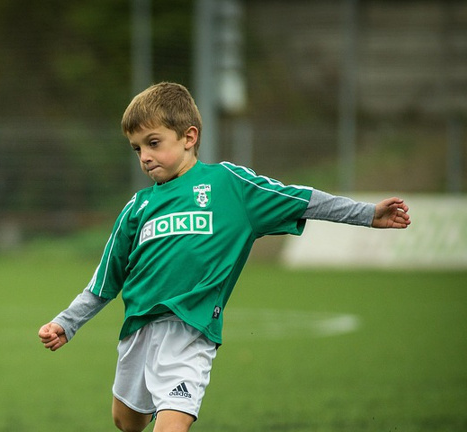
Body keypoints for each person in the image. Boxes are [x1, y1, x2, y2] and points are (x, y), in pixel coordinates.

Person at [37, 82, 410, 432]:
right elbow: (105, 280)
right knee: (126, 421)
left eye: (153, 143)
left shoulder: (229, 185)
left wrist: (366, 214)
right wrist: (66, 324)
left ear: (189, 137)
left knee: (171, 425)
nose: (146, 157)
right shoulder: (137, 207)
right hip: (138, 329)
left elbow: (301, 198)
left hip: (190, 330)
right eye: (137, 149)